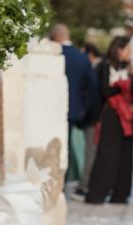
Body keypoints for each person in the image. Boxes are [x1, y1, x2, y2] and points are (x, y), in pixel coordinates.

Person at [85, 37, 133, 204]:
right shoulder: (105, 67)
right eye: (128, 49)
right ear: (119, 49)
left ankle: (120, 194)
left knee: (125, 156)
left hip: (125, 116)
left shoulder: (128, 68)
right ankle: (97, 193)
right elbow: (103, 91)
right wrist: (120, 87)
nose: (130, 53)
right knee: (107, 155)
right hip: (110, 115)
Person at [49, 24, 98, 194]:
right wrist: (84, 108)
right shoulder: (81, 57)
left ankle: (53, 182)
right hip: (73, 110)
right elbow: (92, 87)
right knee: (67, 146)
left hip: (51, 110)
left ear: (54, 37)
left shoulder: (53, 55)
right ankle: (62, 183)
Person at [72, 43, 103, 201]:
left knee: (91, 151)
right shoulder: (97, 67)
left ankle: (85, 184)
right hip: (93, 117)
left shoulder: (98, 68)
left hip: (94, 117)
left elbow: (94, 95)